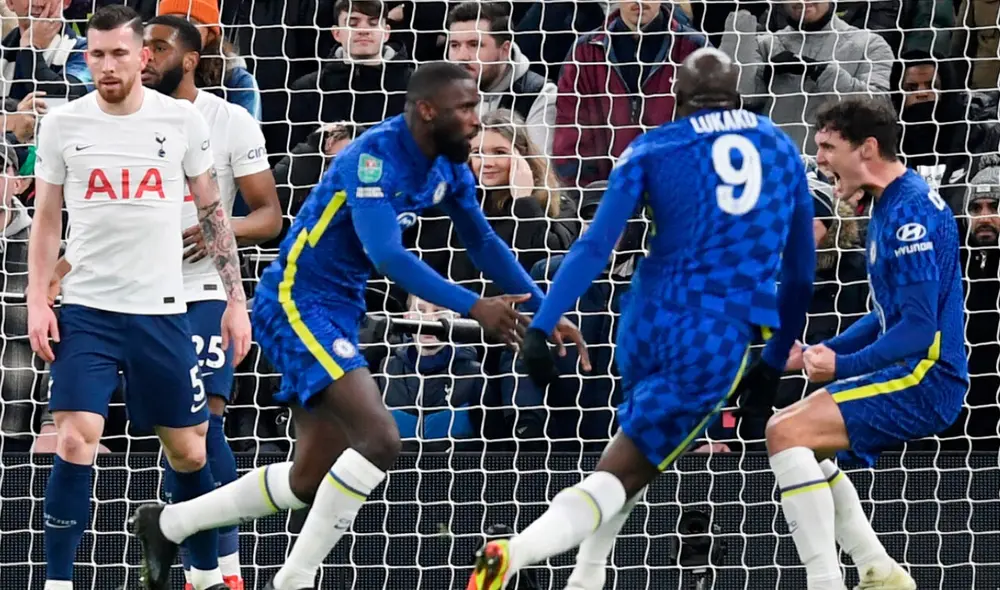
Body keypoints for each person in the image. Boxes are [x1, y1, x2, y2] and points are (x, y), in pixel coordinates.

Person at [131, 62, 588, 590]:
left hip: (341, 306)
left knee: (309, 475)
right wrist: (474, 306)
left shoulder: (449, 166)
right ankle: (296, 579)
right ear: (426, 111)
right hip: (296, 300)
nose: (474, 120)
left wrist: (546, 311)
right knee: (380, 437)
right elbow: (387, 254)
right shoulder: (373, 159)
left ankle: (168, 524)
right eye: (465, 109)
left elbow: (484, 243)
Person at [467, 47, 816, 590]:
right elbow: (799, 276)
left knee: (637, 444)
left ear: (676, 100)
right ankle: (515, 553)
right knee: (625, 469)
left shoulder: (651, 146)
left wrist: (542, 323)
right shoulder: (781, 148)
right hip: (716, 329)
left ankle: (587, 576)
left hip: (646, 316)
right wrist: (771, 363)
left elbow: (594, 245)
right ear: (740, 97)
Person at [26, 6, 251, 590]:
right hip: (87, 309)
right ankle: (57, 582)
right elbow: (47, 219)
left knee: (190, 453)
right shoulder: (63, 124)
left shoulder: (180, 120)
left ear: (142, 56)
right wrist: (37, 300)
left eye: (118, 53)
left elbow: (213, 213)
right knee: (76, 437)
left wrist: (236, 301)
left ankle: (203, 576)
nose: (106, 65)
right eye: (95, 54)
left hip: (162, 310)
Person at [743, 97, 968, 590]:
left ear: (867, 148)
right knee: (800, 442)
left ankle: (829, 581)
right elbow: (887, 311)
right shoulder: (892, 203)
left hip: (927, 376)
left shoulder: (909, 217)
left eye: (827, 146)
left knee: (785, 434)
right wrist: (819, 353)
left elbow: (917, 329)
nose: (819, 159)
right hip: (916, 367)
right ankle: (878, 571)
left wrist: (843, 365)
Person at [141, 15, 282, 590]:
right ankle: (203, 557)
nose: (144, 57)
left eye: (156, 47)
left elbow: (269, 215)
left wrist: (224, 227)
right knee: (179, 438)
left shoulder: (231, 120)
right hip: (133, 293)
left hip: (203, 289)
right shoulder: (119, 120)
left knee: (205, 430)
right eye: (139, 47)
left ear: (191, 57)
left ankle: (221, 571)